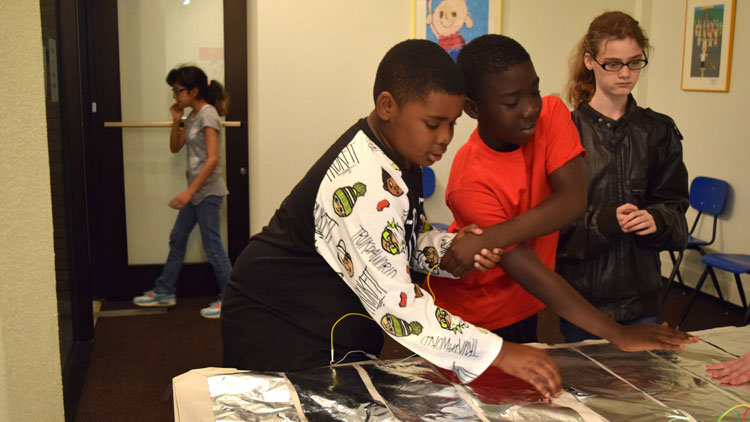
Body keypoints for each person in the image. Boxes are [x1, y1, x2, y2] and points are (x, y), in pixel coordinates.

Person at [221, 39, 562, 398]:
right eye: (433, 124)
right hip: (279, 322)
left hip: (330, 319)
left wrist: (454, 248)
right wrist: (499, 351)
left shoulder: (400, 155)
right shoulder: (361, 181)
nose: (445, 138)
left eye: (452, 124)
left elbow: (403, 241)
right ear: (387, 106)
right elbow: (398, 307)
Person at [429, 34, 696, 351]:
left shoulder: (551, 113)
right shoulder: (469, 180)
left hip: (525, 301)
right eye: (512, 102)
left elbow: (571, 202)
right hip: (475, 315)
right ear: (473, 108)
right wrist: (619, 334)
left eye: (534, 91)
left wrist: (489, 237)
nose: (530, 108)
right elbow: (530, 271)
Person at [555, 11, 691, 342]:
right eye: (613, 63)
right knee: (588, 391)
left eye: (634, 62)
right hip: (582, 300)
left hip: (643, 298)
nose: (626, 73)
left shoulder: (658, 130)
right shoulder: (565, 131)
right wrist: (605, 221)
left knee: (642, 387)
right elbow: (552, 228)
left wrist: (656, 219)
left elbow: (676, 212)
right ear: (590, 61)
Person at [133, 65, 231, 320]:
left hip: (207, 193)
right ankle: (165, 291)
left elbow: (212, 160)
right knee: (178, 238)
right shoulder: (194, 116)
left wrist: (189, 192)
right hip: (196, 193)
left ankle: (230, 300)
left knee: (213, 248)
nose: (175, 96)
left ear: (194, 91)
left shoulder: (208, 115)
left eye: (177, 91)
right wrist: (177, 122)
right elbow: (176, 147)